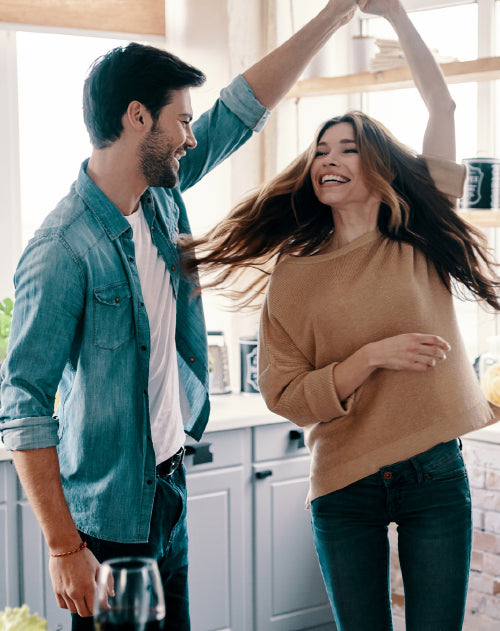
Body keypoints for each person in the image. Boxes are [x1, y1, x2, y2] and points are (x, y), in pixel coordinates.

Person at [0, 2, 359, 630]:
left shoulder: (158, 195)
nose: (192, 137)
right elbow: (23, 404)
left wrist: (337, 11)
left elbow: (243, 109)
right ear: (138, 118)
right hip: (108, 520)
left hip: (168, 490)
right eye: (181, 121)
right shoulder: (61, 248)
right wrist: (64, 549)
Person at [180, 0, 500, 629]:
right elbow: (285, 393)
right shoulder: (295, 274)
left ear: (377, 168)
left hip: (434, 470)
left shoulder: (421, 232)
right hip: (344, 482)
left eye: (346, 150)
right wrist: (370, 358)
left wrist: (398, 15)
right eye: (321, 150)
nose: (327, 160)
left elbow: (444, 108)